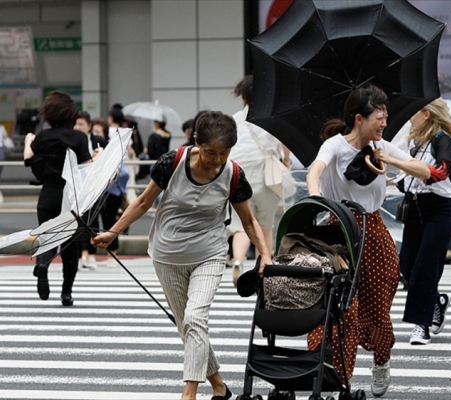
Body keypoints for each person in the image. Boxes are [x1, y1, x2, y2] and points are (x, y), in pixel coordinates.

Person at [92, 110, 271, 400]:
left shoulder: (234, 174)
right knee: (187, 325)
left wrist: (265, 255)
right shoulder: (171, 163)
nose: (217, 160)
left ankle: (189, 393)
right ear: (197, 142)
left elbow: (249, 222)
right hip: (167, 254)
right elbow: (142, 201)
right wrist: (113, 232)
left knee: (195, 318)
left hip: (210, 253)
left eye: (224, 153)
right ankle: (219, 387)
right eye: (211, 152)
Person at [306, 85, 430, 397]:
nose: (385, 122)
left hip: (373, 231)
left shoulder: (381, 145)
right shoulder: (334, 146)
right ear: (359, 118)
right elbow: (315, 171)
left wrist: (390, 159)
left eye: (386, 116)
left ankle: (381, 360)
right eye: (380, 116)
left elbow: (425, 171)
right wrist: (315, 198)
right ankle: (334, 375)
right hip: (339, 231)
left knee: (377, 306)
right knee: (340, 307)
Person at [24, 91, 102, 306]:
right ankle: (66, 293)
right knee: (70, 246)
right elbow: (86, 169)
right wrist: (99, 158)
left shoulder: (42, 137)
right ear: (70, 115)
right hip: (70, 196)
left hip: (47, 194)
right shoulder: (78, 137)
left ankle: (42, 264)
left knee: (48, 236)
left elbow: (28, 161)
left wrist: (28, 141)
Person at [399, 99, 451, 345]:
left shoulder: (442, 140)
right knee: (407, 266)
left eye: (414, 111)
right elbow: (405, 179)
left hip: (440, 211)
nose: (409, 116)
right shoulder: (415, 143)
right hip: (415, 208)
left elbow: (443, 170)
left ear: (426, 113)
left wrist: (424, 175)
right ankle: (436, 302)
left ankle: (421, 325)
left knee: (425, 267)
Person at [229, 75, 290, 284]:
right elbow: (285, 143)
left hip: (239, 178)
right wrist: (287, 161)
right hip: (266, 178)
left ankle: (237, 261)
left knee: (242, 225)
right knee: (265, 225)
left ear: (243, 97)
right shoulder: (271, 118)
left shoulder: (234, 119)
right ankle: (263, 268)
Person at [74, 111, 108, 270]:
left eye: (81, 124)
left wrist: (100, 157)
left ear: (89, 126)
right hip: (77, 187)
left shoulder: (99, 141)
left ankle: (90, 254)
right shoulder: (71, 142)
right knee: (79, 220)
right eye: (76, 124)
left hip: (94, 187)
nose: (77, 127)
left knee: (92, 220)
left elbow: (109, 163)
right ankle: (83, 254)